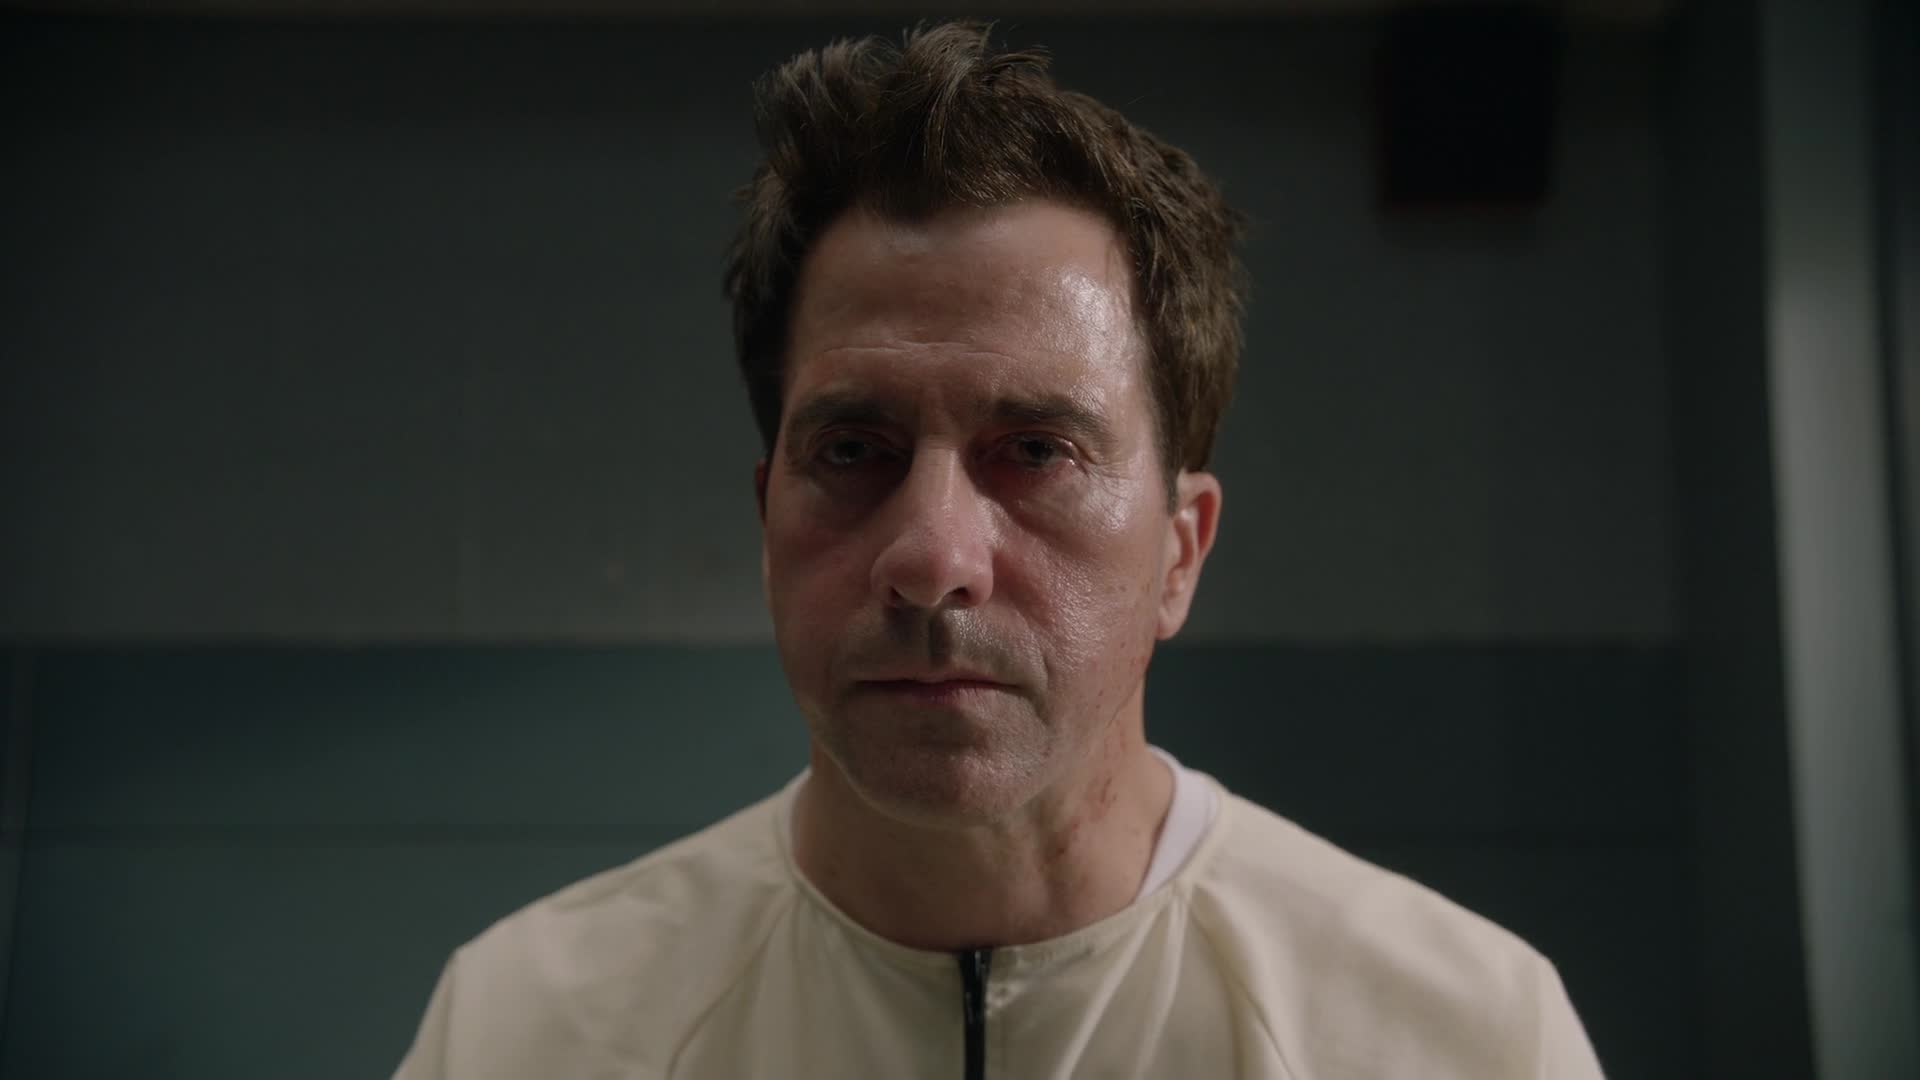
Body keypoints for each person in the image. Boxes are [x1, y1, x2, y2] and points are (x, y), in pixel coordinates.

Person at [393, 21, 1604, 1079]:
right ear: (768, 523)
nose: (932, 559)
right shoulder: (528, 1028)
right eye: (854, 450)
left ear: (1181, 552)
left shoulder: (1461, 1038)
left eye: (1035, 452)